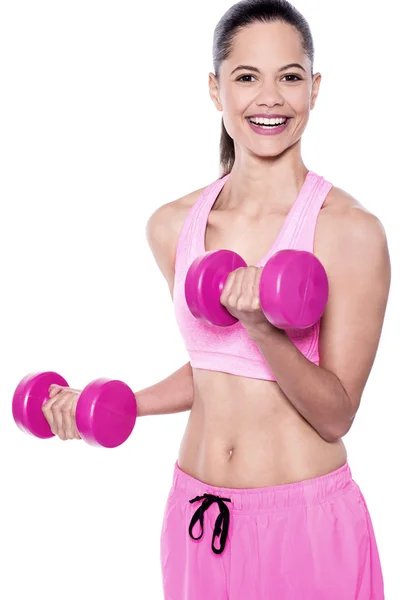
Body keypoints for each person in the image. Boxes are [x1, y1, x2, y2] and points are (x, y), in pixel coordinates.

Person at [43, 1, 391, 598]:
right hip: (199, 521)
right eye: (247, 77)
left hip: (303, 525)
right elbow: (213, 365)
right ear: (215, 89)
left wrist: (262, 328)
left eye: (290, 76)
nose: (271, 98)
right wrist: (107, 401)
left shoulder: (350, 231)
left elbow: (336, 413)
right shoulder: (171, 226)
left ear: (315, 88)